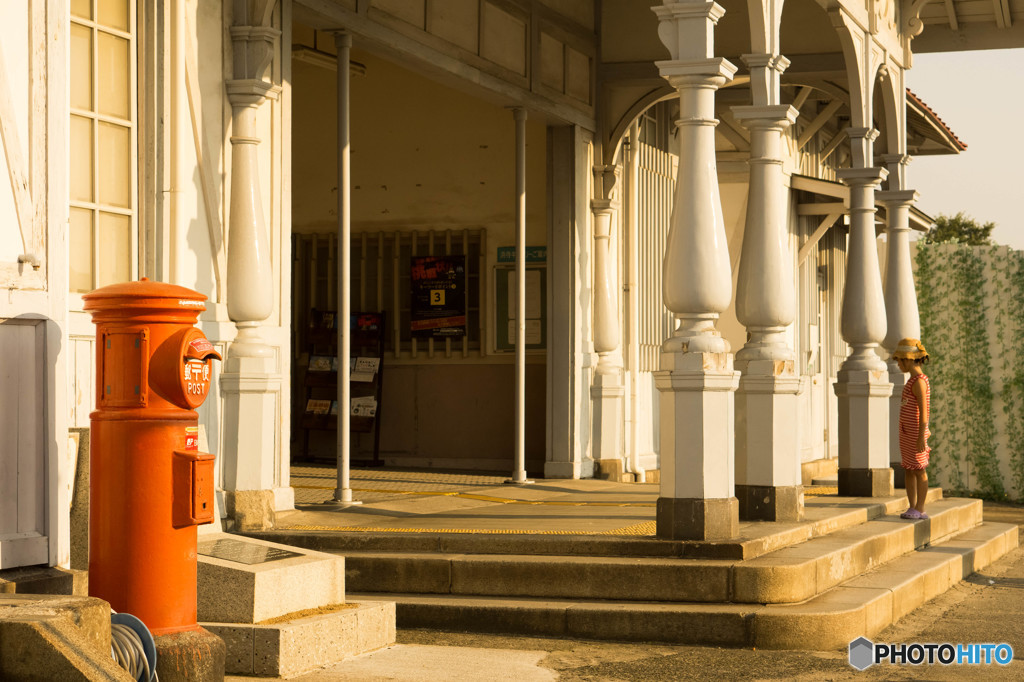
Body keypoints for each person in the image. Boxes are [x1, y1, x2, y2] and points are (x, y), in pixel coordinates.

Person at [893, 338, 931, 520]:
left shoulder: (919, 382)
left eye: (900, 360)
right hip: (907, 435)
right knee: (909, 468)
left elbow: (924, 412)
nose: (899, 364)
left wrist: (921, 436)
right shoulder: (911, 381)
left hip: (916, 434)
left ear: (908, 359)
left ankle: (921, 507)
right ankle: (912, 506)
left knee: (919, 469)